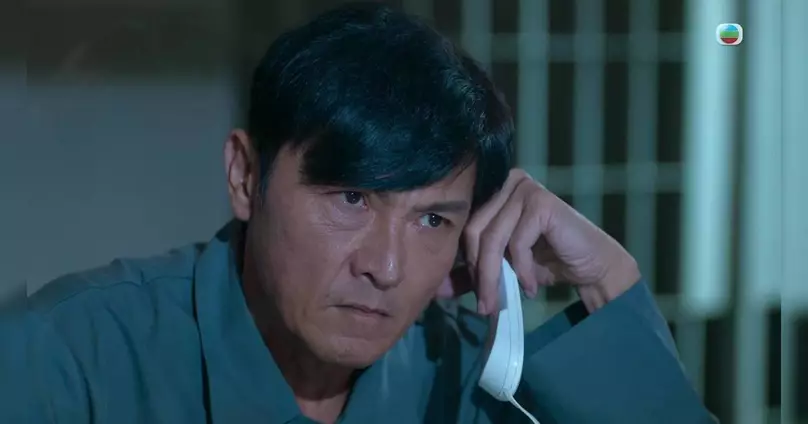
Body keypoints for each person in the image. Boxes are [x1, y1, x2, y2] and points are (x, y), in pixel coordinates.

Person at [22, 3, 716, 423]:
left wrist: (609, 282)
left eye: (432, 220)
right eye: (351, 199)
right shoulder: (71, 358)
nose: (386, 268)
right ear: (245, 176)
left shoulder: (468, 378)